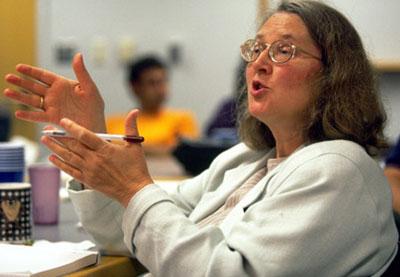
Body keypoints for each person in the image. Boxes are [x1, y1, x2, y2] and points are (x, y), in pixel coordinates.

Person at [3, 0, 398, 275]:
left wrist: (137, 187)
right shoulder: (246, 159)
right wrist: (90, 136)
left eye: (283, 51)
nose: (259, 62)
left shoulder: (339, 168)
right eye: (256, 49)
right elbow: (126, 232)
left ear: (335, 74)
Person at [107, 55, 199, 155]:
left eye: (162, 82)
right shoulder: (113, 124)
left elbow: (186, 153)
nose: (159, 89)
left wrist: (129, 148)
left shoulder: (183, 119)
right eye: (152, 83)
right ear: (135, 87)